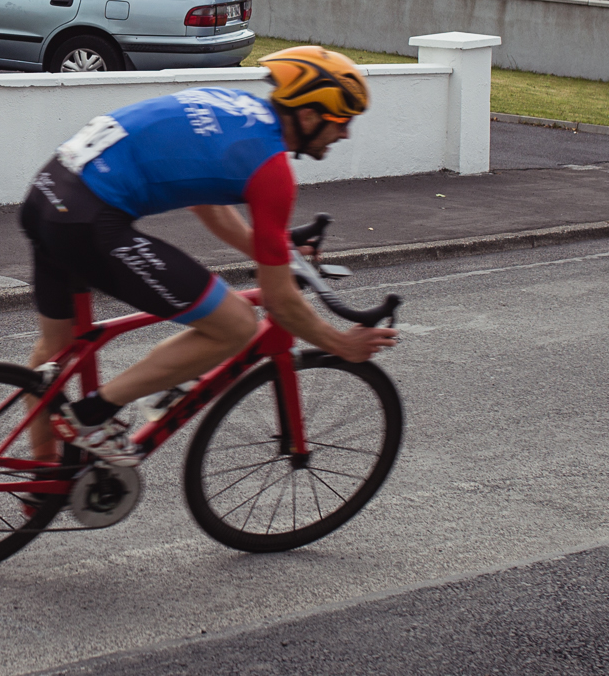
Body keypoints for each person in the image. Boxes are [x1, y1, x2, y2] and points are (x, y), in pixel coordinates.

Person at [20, 45, 397, 465]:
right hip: (87, 221)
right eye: (342, 121)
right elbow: (280, 302)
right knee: (236, 325)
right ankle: (90, 415)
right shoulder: (272, 170)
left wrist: (278, 249)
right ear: (308, 116)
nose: (345, 134)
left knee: (53, 352)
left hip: (45, 196)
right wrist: (340, 343)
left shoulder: (237, 108)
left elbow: (209, 205)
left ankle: (42, 477)